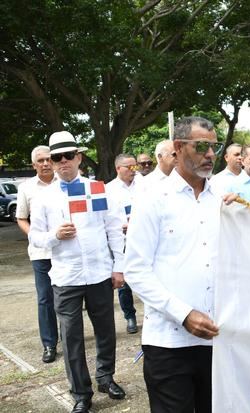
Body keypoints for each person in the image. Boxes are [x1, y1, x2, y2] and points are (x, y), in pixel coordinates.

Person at [124, 116, 234, 413]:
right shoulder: (152, 198)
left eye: (214, 147)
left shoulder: (223, 203)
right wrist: (183, 314)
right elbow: (135, 269)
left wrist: (243, 217)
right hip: (169, 345)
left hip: (218, 342)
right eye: (201, 146)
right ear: (177, 147)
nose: (210, 155)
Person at [29, 131, 127, 413]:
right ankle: (81, 392)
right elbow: (35, 238)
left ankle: (105, 377)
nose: (62, 163)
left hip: (98, 273)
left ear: (78, 157)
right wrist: (55, 235)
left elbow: (112, 229)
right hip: (66, 277)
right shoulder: (44, 197)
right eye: (55, 158)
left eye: (67, 156)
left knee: (106, 330)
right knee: (71, 337)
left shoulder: (96, 188)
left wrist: (119, 267)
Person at [15, 145, 59, 363]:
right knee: (45, 299)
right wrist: (35, 236)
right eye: (40, 161)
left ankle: (72, 338)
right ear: (34, 165)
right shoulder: (27, 188)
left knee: (71, 298)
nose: (45, 163)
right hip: (41, 253)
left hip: (66, 251)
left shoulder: (66, 183)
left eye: (48, 159)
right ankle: (49, 343)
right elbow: (21, 217)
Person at [106, 153, 141, 334]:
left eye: (135, 166)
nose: (133, 170)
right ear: (118, 168)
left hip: (143, 238)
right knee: (124, 282)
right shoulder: (108, 190)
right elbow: (107, 219)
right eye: (129, 167)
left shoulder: (144, 185)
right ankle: (130, 316)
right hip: (122, 240)